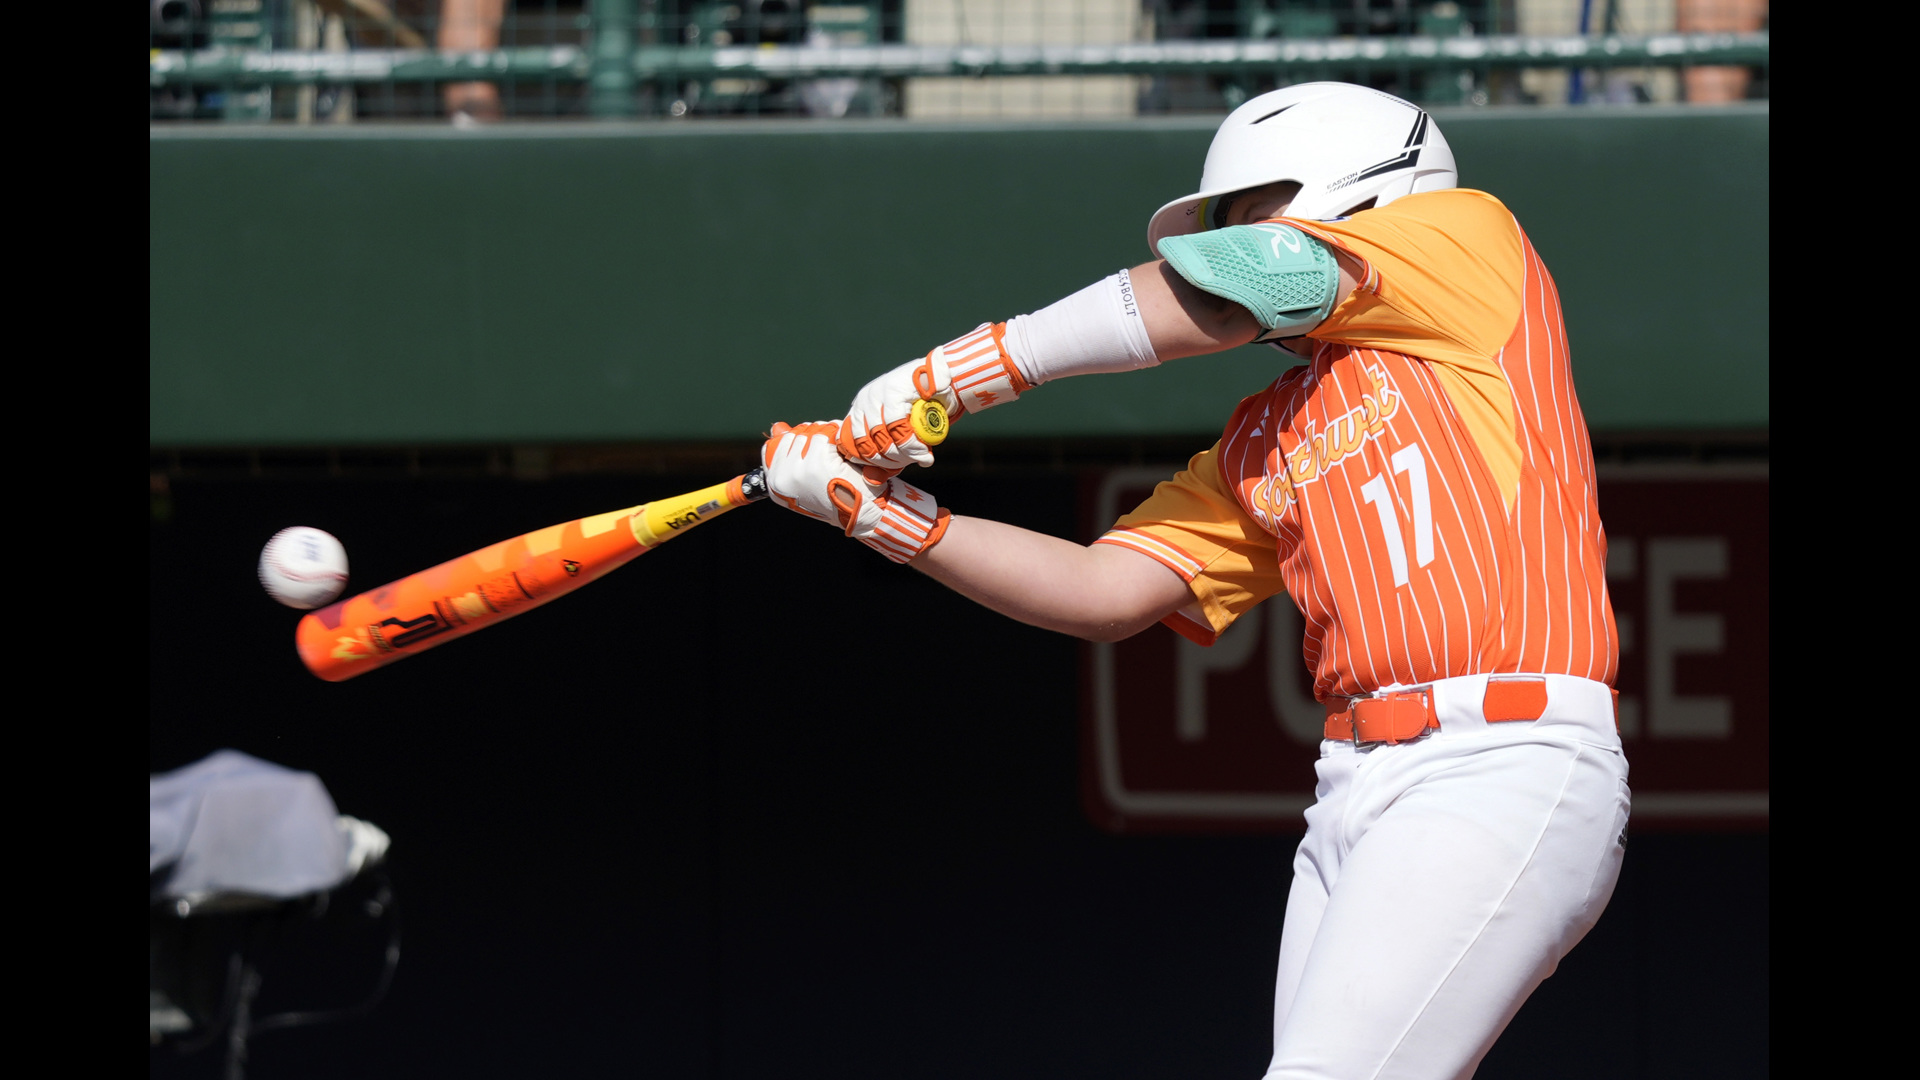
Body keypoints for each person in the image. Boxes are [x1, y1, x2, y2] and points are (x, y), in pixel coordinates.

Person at [760, 82, 1630, 1079]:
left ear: (1359, 181)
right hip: (1357, 787)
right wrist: (884, 520)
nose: (1236, 239)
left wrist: (954, 374)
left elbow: (1238, 288)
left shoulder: (1468, 245)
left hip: (1503, 759)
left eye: (1257, 210)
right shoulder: (1269, 433)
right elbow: (1104, 591)